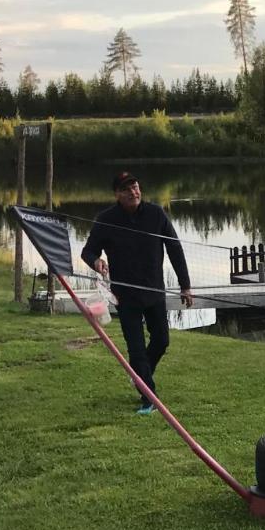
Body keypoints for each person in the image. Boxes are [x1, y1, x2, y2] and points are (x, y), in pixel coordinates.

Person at [82, 172, 194, 414]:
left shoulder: (156, 214)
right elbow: (88, 251)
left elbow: (174, 248)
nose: (133, 192)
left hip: (154, 291)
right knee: (136, 348)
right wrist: (96, 261)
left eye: (135, 187)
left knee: (162, 340)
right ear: (117, 195)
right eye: (126, 189)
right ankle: (149, 397)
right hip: (125, 295)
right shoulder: (106, 219)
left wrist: (185, 285)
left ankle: (140, 377)